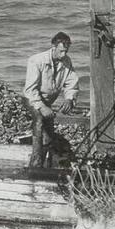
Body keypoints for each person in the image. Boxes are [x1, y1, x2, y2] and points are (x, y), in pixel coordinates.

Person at [23, 31, 79, 170]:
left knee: (49, 135)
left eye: (66, 51)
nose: (64, 54)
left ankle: (48, 165)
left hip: (48, 101)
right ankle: (35, 167)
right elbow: (30, 90)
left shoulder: (66, 61)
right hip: (31, 99)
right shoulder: (36, 60)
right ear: (53, 47)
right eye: (61, 51)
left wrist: (69, 99)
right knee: (39, 124)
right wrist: (42, 107)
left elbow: (72, 82)